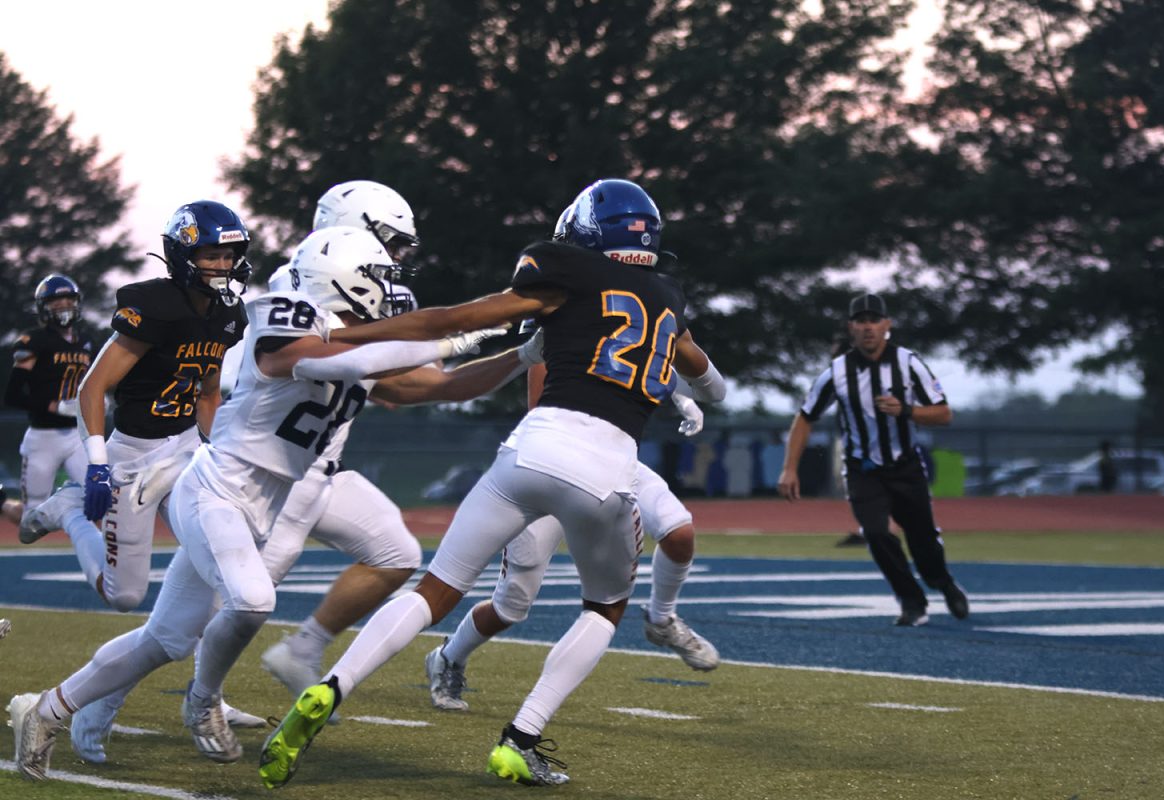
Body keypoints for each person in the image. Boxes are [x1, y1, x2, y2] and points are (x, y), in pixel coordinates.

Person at [258, 178, 720, 789]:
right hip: (606, 466)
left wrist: (343, 339)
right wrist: (696, 395)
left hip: (530, 449)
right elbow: (707, 376)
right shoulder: (669, 296)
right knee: (605, 607)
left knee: (435, 589)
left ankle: (331, 685)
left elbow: (450, 320)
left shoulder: (562, 269)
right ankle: (520, 738)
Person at [6, 224, 505, 780]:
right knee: (250, 599)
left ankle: (47, 709)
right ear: (346, 277)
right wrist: (454, 333)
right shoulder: (283, 315)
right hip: (215, 489)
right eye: (378, 276)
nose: (385, 289)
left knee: (166, 638)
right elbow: (328, 361)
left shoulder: (353, 345)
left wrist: (522, 353)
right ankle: (202, 699)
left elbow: (444, 386)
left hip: (263, 503)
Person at [424, 341, 724, 712]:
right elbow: (546, 407)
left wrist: (682, 395)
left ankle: (661, 618)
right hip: (549, 465)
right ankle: (448, 656)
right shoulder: (561, 334)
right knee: (511, 605)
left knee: (678, 530)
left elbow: (646, 365)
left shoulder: (624, 323)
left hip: (613, 467)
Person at [18, 202, 250, 620]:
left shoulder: (229, 313)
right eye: (211, 255)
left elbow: (208, 394)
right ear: (183, 256)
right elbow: (92, 389)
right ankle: (71, 512)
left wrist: (217, 454)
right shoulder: (155, 304)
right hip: (133, 455)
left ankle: (200, 672)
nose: (223, 265)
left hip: (184, 450)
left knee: (218, 549)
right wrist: (97, 466)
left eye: (228, 256)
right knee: (123, 596)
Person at [776, 293, 969, 627]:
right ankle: (911, 600)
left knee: (923, 540)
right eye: (861, 321)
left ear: (887, 325)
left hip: (906, 466)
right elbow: (805, 416)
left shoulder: (908, 363)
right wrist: (790, 467)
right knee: (877, 534)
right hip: (863, 469)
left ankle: (942, 581)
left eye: (874, 321)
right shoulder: (837, 372)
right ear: (851, 327)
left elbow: (944, 414)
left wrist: (906, 410)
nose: (868, 328)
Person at [3, 275, 94, 531]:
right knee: (30, 518)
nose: (63, 305)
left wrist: (100, 399)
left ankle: (67, 508)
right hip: (43, 436)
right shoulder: (33, 341)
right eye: (56, 301)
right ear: (44, 306)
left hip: (78, 434)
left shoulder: (87, 342)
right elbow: (12, 394)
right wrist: (52, 406)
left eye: (68, 299)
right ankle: (2, 503)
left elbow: (94, 383)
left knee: (97, 495)